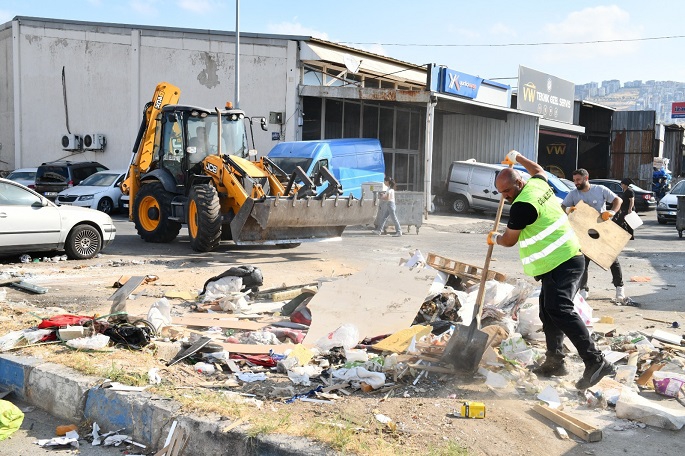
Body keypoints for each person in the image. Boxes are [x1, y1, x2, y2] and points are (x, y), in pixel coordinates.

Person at [487, 150, 615, 390]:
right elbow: (538, 169)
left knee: (560, 308)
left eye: (507, 191)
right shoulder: (537, 183)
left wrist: (494, 238)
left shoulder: (523, 206)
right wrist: (518, 158)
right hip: (559, 261)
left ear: (518, 182)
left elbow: (509, 240)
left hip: (563, 262)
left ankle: (596, 361)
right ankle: (555, 361)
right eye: (501, 193)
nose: (505, 196)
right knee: (548, 311)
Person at [561, 169, 631, 305]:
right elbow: (562, 206)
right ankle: (583, 289)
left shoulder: (600, 189)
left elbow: (618, 200)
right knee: (583, 263)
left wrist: (611, 211)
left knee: (612, 260)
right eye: (574, 180)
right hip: (583, 233)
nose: (576, 183)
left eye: (578, 180)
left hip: (602, 232)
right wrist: (568, 210)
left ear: (586, 178)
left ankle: (619, 287)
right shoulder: (574, 194)